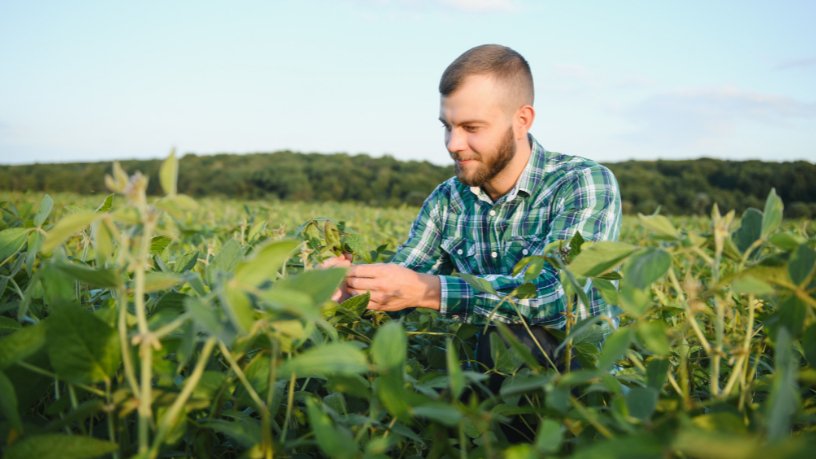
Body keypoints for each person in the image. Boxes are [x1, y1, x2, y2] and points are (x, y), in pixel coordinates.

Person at [327, 44, 621, 376]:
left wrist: (429, 291)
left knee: (520, 336)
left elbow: (558, 297)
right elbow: (404, 274)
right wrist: (348, 289)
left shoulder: (581, 182)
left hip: (580, 380)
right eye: (447, 126)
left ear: (521, 120)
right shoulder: (448, 199)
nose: (453, 144)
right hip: (481, 378)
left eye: (472, 128)